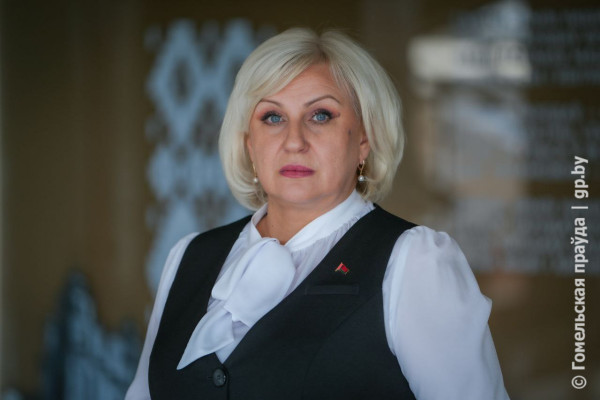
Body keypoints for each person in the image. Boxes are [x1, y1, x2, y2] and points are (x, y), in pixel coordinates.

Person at [126, 28, 510, 400]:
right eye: (272, 117)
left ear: (364, 140)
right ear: (249, 144)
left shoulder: (415, 262)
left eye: (321, 115)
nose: (294, 141)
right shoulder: (189, 257)